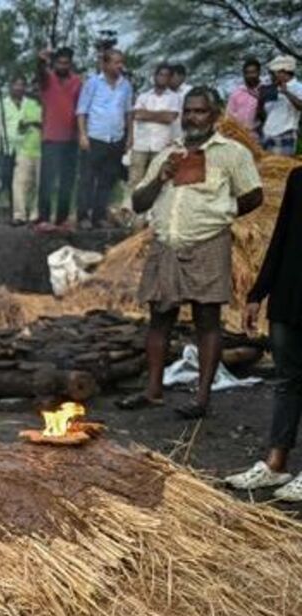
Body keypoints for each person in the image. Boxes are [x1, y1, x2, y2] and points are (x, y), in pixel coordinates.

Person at [117, 87, 263, 420]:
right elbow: (139, 202)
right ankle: (153, 391)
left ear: (215, 115)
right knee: (160, 317)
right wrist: (162, 177)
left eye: (200, 111)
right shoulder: (168, 153)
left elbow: (254, 195)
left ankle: (201, 399)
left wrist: (221, 214)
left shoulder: (232, 153)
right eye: (188, 111)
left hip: (209, 242)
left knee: (207, 320)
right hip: (167, 243)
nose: (192, 118)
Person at [228, 163, 302, 495]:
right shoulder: (298, 179)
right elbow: (282, 237)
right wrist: (258, 294)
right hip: (290, 296)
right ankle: (275, 464)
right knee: (287, 381)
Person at [75, 48, 133, 229]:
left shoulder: (126, 85)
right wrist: (83, 135)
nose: (120, 66)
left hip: (116, 139)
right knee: (87, 179)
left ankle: (99, 217)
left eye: (121, 62)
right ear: (105, 64)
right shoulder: (93, 83)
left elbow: (128, 113)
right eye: (116, 62)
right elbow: (82, 111)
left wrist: (130, 137)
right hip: (94, 137)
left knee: (107, 180)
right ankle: (83, 216)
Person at [35, 47, 85, 231]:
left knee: (67, 181)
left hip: (71, 137)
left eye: (66, 63)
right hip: (51, 136)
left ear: (70, 64)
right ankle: (43, 218)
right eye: (59, 63)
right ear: (54, 64)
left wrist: (81, 133)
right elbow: (40, 73)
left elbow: (81, 108)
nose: (63, 66)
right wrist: (40, 61)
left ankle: (62, 218)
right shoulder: (48, 79)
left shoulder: (77, 81)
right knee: (47, 180)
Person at [130, 64, 182, 203]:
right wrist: (160, 115)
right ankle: (130, 209)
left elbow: (170, 117)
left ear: (170, 78)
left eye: (166, 75)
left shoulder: (174, 97)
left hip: (161, 144)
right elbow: (137, 114)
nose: (162, 78)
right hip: (141, 143)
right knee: (135, 178)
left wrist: (147, 114)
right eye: (160, 74)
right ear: (155, 76)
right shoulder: (144, 96)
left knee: (156, 179)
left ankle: (151, 211)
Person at [0, 76, 43, 224]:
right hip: (22, 148)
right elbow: (20, 124)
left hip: (43, 148)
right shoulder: (27, 104)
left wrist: (35, 123)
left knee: (38, 184)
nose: (37, 91)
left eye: (40, 89)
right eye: (35, 88)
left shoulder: (47, 105)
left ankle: (35, 214)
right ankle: (19, 215)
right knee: (19, 183)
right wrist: (33, 123)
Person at [260, 56, 301, 156]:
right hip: (267, 133)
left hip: (285, 133)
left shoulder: (298, 87)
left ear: (284, 72)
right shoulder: (273, 88)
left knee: (280, 165)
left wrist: (286, 92)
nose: (272, 76)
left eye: (274, 73)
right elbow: (265, 112)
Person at [228, 58, 265, 141]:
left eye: (253, 72)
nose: (250, 76)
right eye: (247, 73)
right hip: (238, 136)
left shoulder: (266, 90)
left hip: (259, 135)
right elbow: (229, 115)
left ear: (259, 72)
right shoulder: (237, 93)